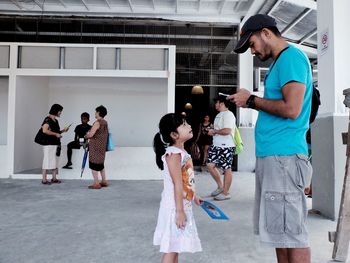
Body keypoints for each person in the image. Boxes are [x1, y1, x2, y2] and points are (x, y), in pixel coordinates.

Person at [228, 14, 313, 263]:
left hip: (284, 158)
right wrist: (251, 99)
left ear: (266, 33)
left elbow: (291, 109)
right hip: (274, 157)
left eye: (251, 44)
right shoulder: (279, 64)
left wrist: (251, 101)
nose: (252, 51)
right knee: (279, 232)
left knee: (293, 233)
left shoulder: (291, 58)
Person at [153, 113, 202, 262]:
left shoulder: (181, 152)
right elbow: (177, 183)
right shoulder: (173, 154)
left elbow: (186, 180)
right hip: (174, 207)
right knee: (171, 248)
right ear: (174, 134)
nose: (190, 126)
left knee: (176, 246)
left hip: (181, 204)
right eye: (184, 125)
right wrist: (180, 211)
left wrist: (193, 195)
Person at [206, 95, 236, 201]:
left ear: (222, 103)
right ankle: (220, 187)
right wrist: (213, 130)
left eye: (217, 102)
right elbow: (220, 129)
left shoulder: (228, 115)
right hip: (216, 144)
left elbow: (227, 130)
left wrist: (214, 131)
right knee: (210, 165)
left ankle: (226, 192)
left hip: (226, 146)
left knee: (227, 168)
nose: (215, 104)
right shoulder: (219, 115)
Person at [41, 103, 69, 185]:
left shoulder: (55, 121)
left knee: (55, 161)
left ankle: (54, 178)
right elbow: (44, 130)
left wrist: (63, 130)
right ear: (56, 111)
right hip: (48, 144)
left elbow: (56, 132)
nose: (60, 113)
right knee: (46, 160)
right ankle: (44, 179)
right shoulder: (47, 119)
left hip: (55, 143)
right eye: (60, 111)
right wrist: (56, 134)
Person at [85, 105, 109, 190]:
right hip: (102, 147)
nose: (95, 113)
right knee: (101, 165)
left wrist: (85, 136)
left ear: (98, 112)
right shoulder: (105, 123)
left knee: (93, 165)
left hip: (95, 147)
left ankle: (96, 183)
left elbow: (91, 135)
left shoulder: (97, 122)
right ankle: (104, 181)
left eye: (96, 111)